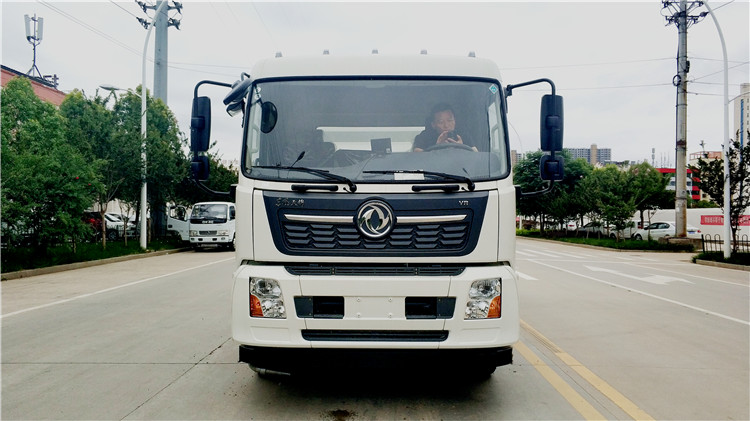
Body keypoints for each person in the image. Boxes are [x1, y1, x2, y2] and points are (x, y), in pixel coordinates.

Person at [412, 103, 477, 152]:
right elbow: (417, 155)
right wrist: (437, 147)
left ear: (455, 121)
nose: (446, 125)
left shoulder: (463, 134)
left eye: (450, 120)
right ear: (433, 125)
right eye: (441, 122)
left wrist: (461, 148)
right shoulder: (425, 136)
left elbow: (476, 153)